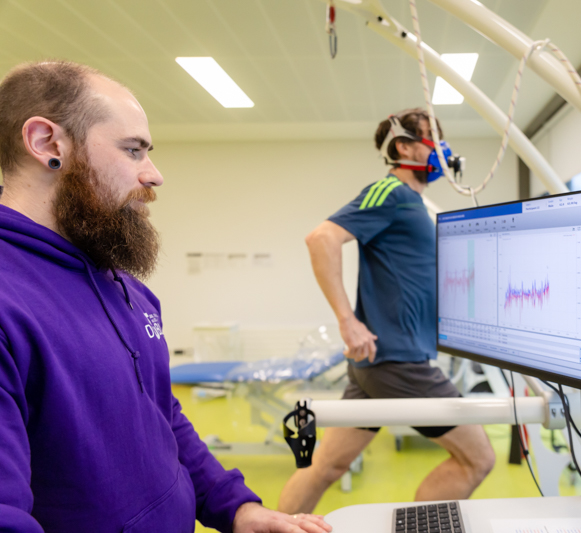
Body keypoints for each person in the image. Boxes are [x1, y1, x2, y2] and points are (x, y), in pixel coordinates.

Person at [0, 61, 331, 533]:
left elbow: (163, 417)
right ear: (47, 143)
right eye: (133, 151)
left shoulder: (126, 288)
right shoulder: (9, 301)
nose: (154, 175)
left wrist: (237, 508)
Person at [278, 109, 495, 514]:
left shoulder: (414, 203)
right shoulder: (389, 193)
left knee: (328, 463)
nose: (443, 149)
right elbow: (320, 238)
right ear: (404, 147)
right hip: (399, 362)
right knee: (478, 458)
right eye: (434, 138)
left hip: (381, 361)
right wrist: (348, 321)